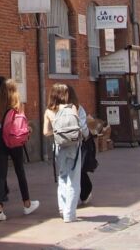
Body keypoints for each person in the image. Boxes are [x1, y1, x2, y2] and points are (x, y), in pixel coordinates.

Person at [0, 79, 39, 221]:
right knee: (19, 171)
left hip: (0, 140)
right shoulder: (18, 105)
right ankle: (27, 204)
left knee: (1, 174)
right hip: (15, 141)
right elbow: (22, 125)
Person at [44, 83, 88, 222]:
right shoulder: (73, 107)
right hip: (74, 146)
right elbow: (79, 127)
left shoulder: (49, 111)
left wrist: (56, 132)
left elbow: (45, 132)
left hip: (59, 146)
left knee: (62, 177)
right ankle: (70, 214)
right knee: (74, 180)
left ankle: (62, 209)